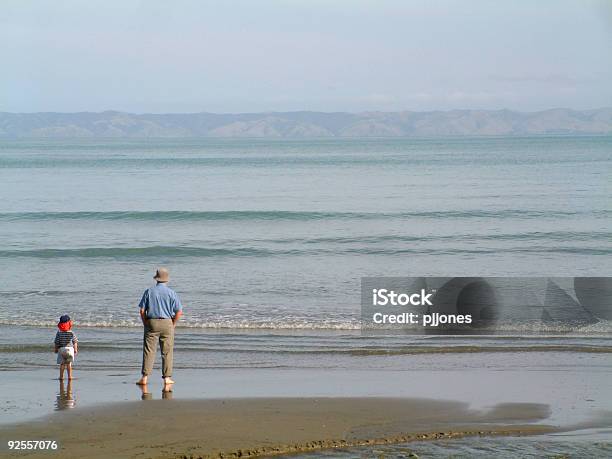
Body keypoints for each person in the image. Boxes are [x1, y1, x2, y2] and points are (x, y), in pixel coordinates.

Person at [136, 267, 183, 387]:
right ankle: (167, 378)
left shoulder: (149, 291)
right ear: (167, 279)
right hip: (167, 322)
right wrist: (173, 323)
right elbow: (179, 311)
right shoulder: (172, 293)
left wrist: (145, 322)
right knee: (167, 351)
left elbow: (142, 310)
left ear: (156, 279)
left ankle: (145, 377)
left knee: (149, 350)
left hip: (151, 322)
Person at [54, 314, 78, 380]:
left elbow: (56, 342)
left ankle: (61, 377)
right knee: (69, 364)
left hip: (61, 349)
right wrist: (75, 349)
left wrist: (56, 349)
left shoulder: (59, 332)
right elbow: (75, 341)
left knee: (62, 364)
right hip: (70, 349)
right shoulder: (71, 332)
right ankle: (70, 376)